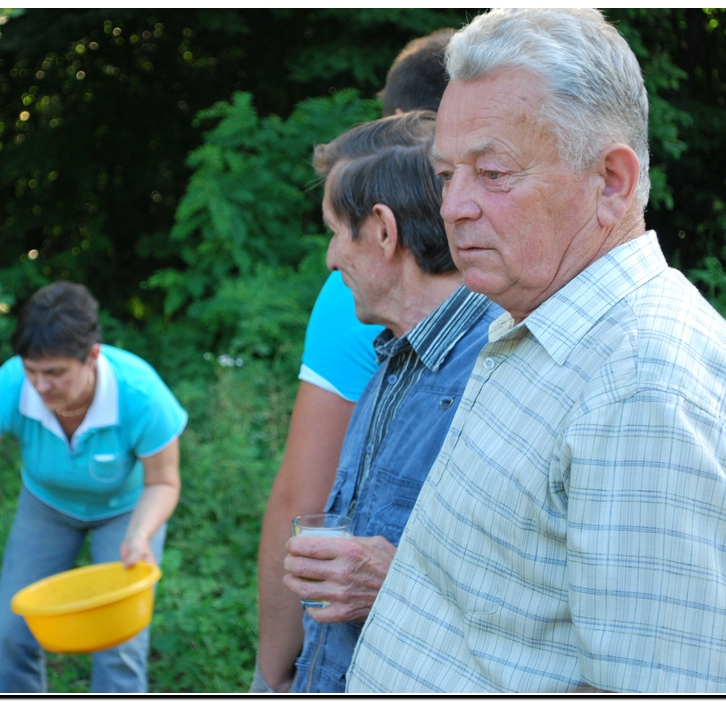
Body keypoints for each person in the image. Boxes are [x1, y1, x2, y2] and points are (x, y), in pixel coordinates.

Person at [347, 8, 726, 694]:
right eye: (444, 175)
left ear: (609, 181)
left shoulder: (644, 383)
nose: (453, 207)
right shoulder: (528, 316)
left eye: (491, 172)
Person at [252, 28, 459, 693]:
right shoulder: (391, 348)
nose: (329, 260)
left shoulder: (498, 363)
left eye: (335, 234)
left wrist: (267, 676)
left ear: (383, 230)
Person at [0, 281, 187, 693]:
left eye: (55, 373)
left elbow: (163, 482)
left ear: (92, 356)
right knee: (11, 631)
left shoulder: (142, 395)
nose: (40, 386)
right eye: (31, 371)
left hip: (127, 513)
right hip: (47, 508)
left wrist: (140, 534)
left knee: (119, 644)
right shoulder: (10, 387)